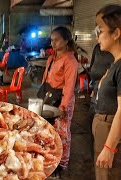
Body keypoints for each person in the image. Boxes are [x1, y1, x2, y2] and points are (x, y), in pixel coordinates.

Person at [39, 26, 78, 176]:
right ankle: (52, 158)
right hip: (49, 97)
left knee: (63, 131)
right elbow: (45, 78)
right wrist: (41, 96)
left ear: (66, 40)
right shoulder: (51, 58)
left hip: (63, 100)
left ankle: (63, 162)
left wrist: (63, 106)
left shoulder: (70, 61)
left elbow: (69, 86)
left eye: (56, 40)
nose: (53, 43)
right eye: (51, 40)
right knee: (49, 129)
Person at [92, 4, 121, 180]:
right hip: (103, 126)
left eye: (100, 30)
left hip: (111, 129)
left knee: (109, 175)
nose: (97, 37)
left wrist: (109, 148)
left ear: (116, 33)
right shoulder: (115, 63)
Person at [88, 43, 114, 160]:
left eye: (101, 31)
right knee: (94, 133)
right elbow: (92, 69)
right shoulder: (97, 48)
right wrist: (94, 88)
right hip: (97, 95)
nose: (97, 36)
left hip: (109, 105)